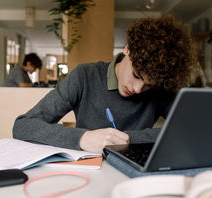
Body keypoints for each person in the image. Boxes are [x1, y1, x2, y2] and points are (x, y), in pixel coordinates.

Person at [13, 14, 196, 154]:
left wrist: (125, 140)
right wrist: (83, 138)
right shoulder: (84, 76)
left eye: (149, 85)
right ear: (127, 49)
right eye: (137, 75)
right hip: (89, 172)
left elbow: (192, 128)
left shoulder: (159, 88)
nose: (138, 89)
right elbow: (23, 126)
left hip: (138, 172)